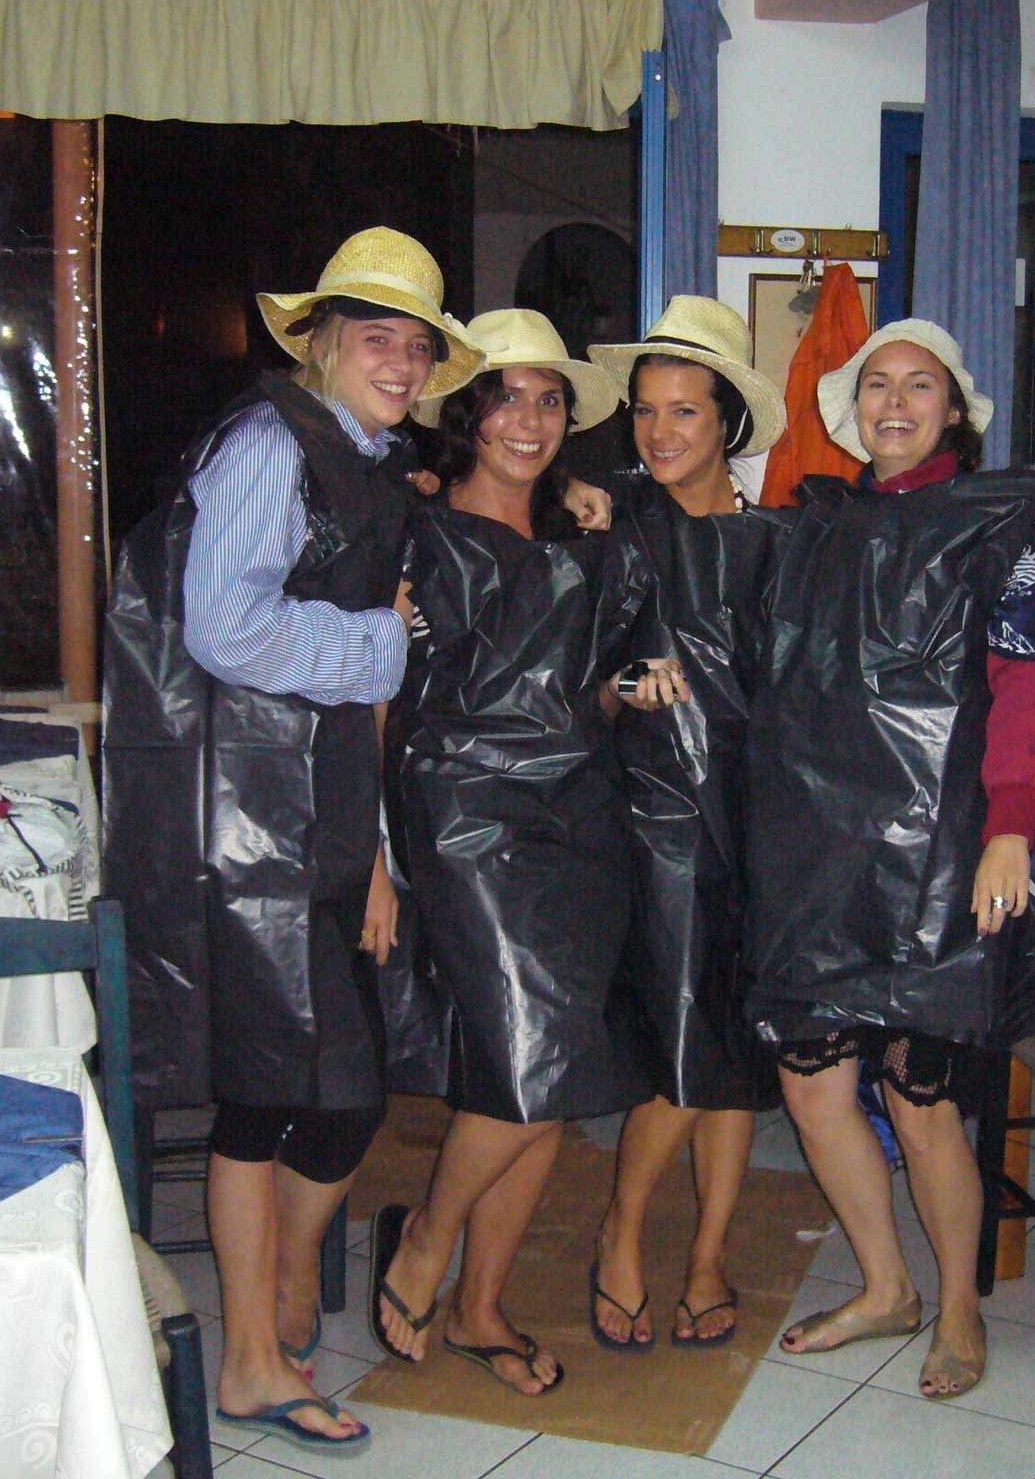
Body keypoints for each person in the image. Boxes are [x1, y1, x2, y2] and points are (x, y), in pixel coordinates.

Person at [106, 226, 480, 1450]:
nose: (402, 362)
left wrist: (370, 851)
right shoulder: (271, 444)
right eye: (378, 338)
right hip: (247, 824)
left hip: (311, 819)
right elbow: (223, 627)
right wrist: (381, 639)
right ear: (322, 342)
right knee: (276, 1096)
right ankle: (251, 1361)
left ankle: (272, 1298)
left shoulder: (360, 457)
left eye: (417, 344)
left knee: (331, 1093)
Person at [745, 319, 1035, 1400]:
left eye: (918, 385)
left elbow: (1029, 681)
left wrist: (1010, 825)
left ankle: (960, 1304)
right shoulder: (814, 526)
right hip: (814, 847)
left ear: (953, 410)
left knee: (921, 1098)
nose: (895, 402)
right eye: (876, 385)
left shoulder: (1005, 519)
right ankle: (886, 1288)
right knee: (811, 1087)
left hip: (939, 847)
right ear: (853, 411)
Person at [371, 309, 667, 1396]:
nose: (529, 421)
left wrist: (634, 686)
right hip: (464, 817)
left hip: (579, 816)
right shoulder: (412, 533)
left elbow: (594, 687)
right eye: (505, 397)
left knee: (555, 1069)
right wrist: (372, 855)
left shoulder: (584, 537)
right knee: (523, 1055)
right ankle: (425, 1239)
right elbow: (372, 701)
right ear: (467, 411)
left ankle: (481, 1308)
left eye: (549, 401)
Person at [581, 297, 789, 1351]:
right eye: (645, 410)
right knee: (681, 1039)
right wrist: (626, 683)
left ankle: (708, 1254)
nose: (658, 431)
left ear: (727, 424)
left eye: (683, 411)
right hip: (658, 820)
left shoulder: (778, 542)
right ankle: (619, 1236)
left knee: (737, 1049)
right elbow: (570, 689)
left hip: (766, 822)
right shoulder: (615, 530)